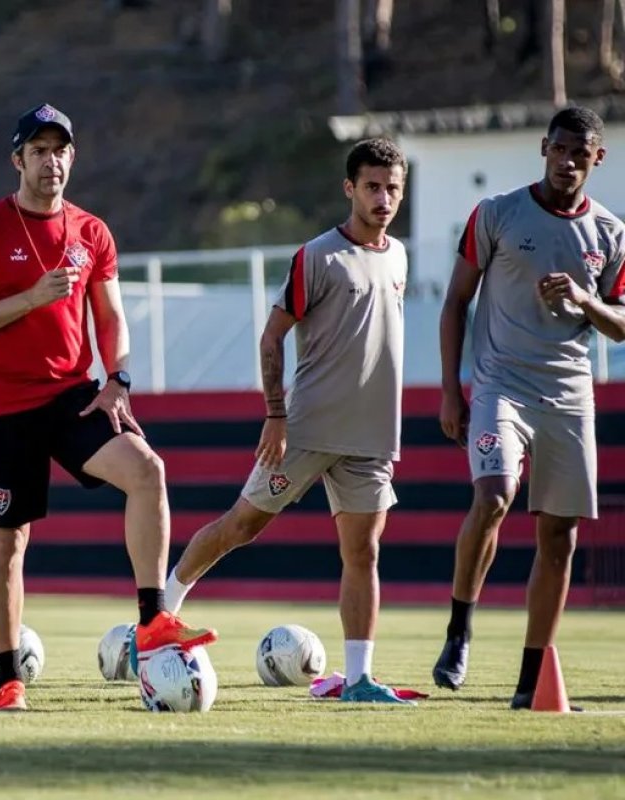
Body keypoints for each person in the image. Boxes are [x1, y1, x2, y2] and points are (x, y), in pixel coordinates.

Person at [0, 103, 217, 711]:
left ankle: (152, 620)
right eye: (38, 150)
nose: (51, 161)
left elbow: (111, 317)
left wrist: (117, 377)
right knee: (8, 543)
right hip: (0, 403)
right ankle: (9, 675)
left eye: (60, 149)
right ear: (18, 160)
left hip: (70, 394)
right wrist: (32, 297)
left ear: (73, 157)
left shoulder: (93, 232)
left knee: (148, 471)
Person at [159, 138, 414, 704]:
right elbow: (272, 336)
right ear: (350, 189)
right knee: (241, 526)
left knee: (364, 553)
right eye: (372, 186)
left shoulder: (399, 256)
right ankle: (161, 616)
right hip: (306, 429)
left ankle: (359, 678)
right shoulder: (318, 256)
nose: (383, 197)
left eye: (393, 187)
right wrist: (275, 414)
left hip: (370, 437)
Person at [432, 106, 625, 708]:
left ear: (598, 159)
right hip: (499, 387)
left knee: (560, 537)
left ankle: (529, 679)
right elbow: (456, 301)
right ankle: (459, 629)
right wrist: (449, 388)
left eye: (579, 153)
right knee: (492, 497)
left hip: (569, 395)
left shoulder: (612, 234)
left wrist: (584, 300)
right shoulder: (496, 214)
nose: (566, 161)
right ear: (543, 147)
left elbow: (620, 327)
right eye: (558, 149)